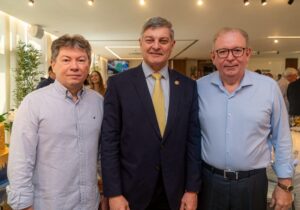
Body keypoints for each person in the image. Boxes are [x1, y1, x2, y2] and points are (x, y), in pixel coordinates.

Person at [101, 17, 201, 210]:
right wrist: (113, 193)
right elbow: (109, 142)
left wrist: (192, 189)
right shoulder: (119, 85)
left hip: (176, 193)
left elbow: (193, 140)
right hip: (131, 193)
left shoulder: (188, 86)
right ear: (140, 43)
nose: (156, 46)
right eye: (150, 40)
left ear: (172, 45)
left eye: (163, 41)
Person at [197, 27, 293, 210]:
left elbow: (282, 138)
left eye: (237, 50)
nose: (230, 57)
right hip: (209, 183)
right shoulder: (199, 88)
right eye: (223, 51)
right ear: (213, 57)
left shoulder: (269, 88)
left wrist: (284, 184)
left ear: (247, 54)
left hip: (252, 184)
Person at [7, 34, 104, 210]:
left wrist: (106, 191)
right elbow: (21, 159)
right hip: (48, 204)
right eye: (66, 60)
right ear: (53, 64)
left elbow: (101, 154)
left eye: (81, 60)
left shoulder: (98, 102)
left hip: (89, 203)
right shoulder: (34, 103)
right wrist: (23, 205)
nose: (74, 66)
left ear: (88, 65)